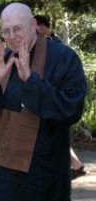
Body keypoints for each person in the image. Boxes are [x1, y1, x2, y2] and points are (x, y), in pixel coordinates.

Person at [0, 2, 87, 201]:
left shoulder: (65, 58)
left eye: (17, 29)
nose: (12, 36)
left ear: (32, 25)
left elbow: (71, 110)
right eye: (6, 31)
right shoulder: (1, 60)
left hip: (43, 180)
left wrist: (31, 82)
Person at [34, 15, 88, 180]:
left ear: (41, 27)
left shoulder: (56, 48)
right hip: (48, 101)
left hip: (56, 100)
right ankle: (77, 166)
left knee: (57, 137)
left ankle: (75, 167)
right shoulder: (48, 42)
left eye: (34, 26)